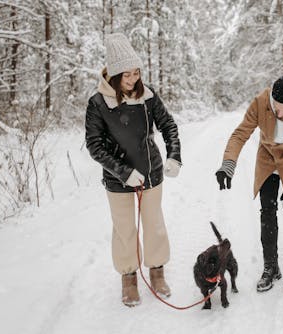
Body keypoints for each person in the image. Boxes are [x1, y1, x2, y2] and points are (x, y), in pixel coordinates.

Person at [85, 33, 181, 307]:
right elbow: (94, 145)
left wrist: (174, 155)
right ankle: (129, 278)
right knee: (125, 228)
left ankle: (157, 270)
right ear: (114, 76)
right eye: (127, 75)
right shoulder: (98, 104)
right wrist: (123, 172)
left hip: (151, 172)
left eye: (136, 73)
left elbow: (168, 126)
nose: (133, 80)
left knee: (154, 224)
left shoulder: (148, 96)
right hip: (118, 180)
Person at [215, 75, 283, 293]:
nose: (279, 114)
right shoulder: (262, 102)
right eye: (276, 108)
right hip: (268, 158)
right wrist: (228, 163)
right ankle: (270, 267)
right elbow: (241, 134)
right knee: (267, 210)